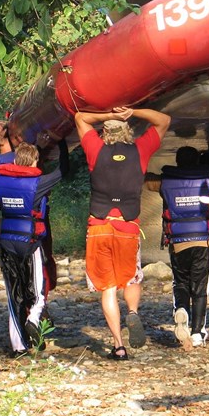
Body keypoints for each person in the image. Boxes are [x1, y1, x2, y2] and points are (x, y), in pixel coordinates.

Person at [75, 105, 170, 361]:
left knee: (107, 288)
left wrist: (108, 115)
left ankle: (118, 345)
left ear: (104, 134)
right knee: (131, 278)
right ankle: (134, 311)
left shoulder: (96, 149)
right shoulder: (140, 150)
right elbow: (164, 120)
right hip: (127, 225)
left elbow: (80, 117)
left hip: (99, 225)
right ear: (128, 131)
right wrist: (134, 111)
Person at [146, 137, 209, 349]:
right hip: (202, 241)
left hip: (177, 242)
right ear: (198, 162)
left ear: (177, 163)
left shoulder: (163, 182)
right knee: (200, 288)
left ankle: (182, 309)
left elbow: (142, 176)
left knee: (181, 282)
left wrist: (147, 145)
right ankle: (197, 333)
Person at [0, 142, 64, 355]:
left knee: (15, 293)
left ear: (14, 160)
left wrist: (7, 152)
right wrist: (63, 143)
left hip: (5, 241)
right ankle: (33, 318)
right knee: (38, 289)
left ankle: (18, 346)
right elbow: (62, 171)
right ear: (35, 160)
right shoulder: (38, 183)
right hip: (29, 242)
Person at [0, 121, 65, 293]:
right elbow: (19, 162)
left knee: (34, 267)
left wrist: (32, 149)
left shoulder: (3, 168)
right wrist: (38, 149)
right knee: (26, 272)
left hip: (22, 227)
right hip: (24, 229)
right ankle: (33, 309)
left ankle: (35, 305)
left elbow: (19, 162)